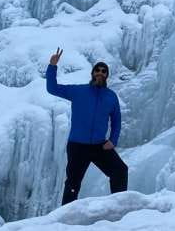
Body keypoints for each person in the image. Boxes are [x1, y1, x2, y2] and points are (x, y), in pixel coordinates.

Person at [46, 48, 128, 204]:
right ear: (92, 73)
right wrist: (52, 66)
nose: (100, 73)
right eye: (97, 70)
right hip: (78, 146)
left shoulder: (111, 96)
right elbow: (52, 88)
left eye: (104, 71)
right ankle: (66, 218)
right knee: (73, 183)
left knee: (120, 170)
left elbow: (116, 119)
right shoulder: (78, 91)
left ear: (107, 76)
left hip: (99, 146)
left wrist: (113, 140)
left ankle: (119, 206)